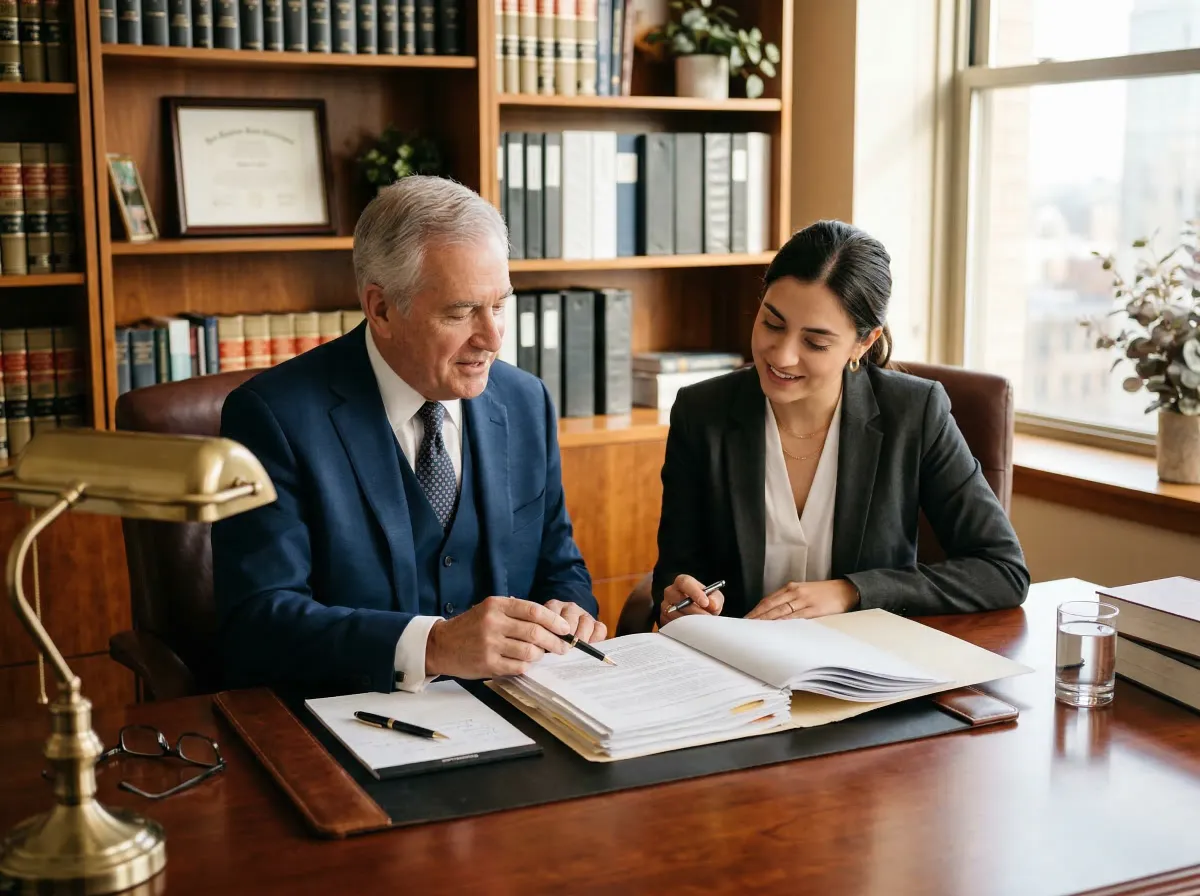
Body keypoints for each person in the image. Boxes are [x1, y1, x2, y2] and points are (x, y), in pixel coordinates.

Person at [212, 176, 605, 694]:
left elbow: (560, 564)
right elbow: (259, 621)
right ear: (380, 309)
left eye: (500, 305)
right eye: (461, 311)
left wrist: (568, 609)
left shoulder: (525, 401)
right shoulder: (271, 418)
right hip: (347, 719)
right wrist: (433, 646)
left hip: (515, 706)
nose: (491, 338)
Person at [653, 219, 1029, 625]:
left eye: (815, 342)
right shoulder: (701, 411)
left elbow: (1002, 570)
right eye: (771, 323)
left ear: (863, 342)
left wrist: (852, 591)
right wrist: (680, 598)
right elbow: (676, 572)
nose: (782, 356)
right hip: (742, 667)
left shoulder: (914, 413)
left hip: (866, 669)